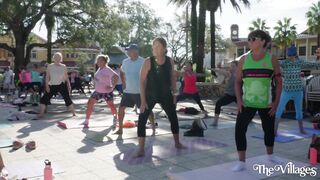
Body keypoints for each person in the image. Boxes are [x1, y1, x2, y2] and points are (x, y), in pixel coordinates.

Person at [233, 30, 282, 171]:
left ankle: (270, 156)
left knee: (269, 130)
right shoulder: (243, 60)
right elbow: (237, 82)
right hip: (247, 103)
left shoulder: (272, 59)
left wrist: (276, 102)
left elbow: (279, 82)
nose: (250, 40)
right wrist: (239, 100)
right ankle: (241, 162)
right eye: (249, 38)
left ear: (263, 41)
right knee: (239, 130)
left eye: (253, 38)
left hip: (266, 103)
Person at [137, 37, 185, 157]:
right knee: (142, 119)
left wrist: (174, 94)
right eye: (153, 45)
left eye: (157, 45)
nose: (154, 48)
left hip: (165, 95)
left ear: (164, 48)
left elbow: (172, 78)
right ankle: (141, 149)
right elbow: (142, 81)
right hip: (150, 95)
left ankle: (177, 143)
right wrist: (143, 101)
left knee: (173, 117)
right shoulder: (148, 61)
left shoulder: (170, 61)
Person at [275, 45, 320, 136]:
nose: (290, 58)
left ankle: (301, 129)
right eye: (288, 56)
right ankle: (275, 131)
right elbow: (274, 62)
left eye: (291, 56)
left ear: (295, 55)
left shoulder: (299, 62)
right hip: (286, 91)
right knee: (279, 110)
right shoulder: (284, 63)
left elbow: (313, 64)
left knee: (299, 111)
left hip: (298, 91)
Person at [114, 44, 156, 135]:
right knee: (121, 109)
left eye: (129, 50)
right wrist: (124, 83)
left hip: (140, 92)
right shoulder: (125, 61)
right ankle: (120, 129)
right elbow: (121, 71)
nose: (127, 52)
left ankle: (153, 128)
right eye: (127, 50)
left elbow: (149, 76)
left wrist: (148, 89)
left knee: (147, 110)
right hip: (128, 91)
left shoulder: (143, 62)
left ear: (135, 51)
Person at [81, 54, 119, 128]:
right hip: (98, 91)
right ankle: (86, 121)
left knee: (111, 106)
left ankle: (115, 119)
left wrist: (113, 86)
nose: (98, 62)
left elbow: (116, 76)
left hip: (107, 92)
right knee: (89, 104)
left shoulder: (107, 69)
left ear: (105, 62)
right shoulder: (99, 68)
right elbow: (99, 78)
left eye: (100, 61)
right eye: (97, 61)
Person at [38, 52, 75, 118]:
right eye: (56, 57)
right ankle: (41, 114)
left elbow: (66, 77)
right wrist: (46, 86)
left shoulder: (64, 66)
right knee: (44, 99)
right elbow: (47, 77)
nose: (57, 59)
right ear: (53, 58)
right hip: (52, 85)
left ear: (61, 59)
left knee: (67, 99)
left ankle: (73, 113)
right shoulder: (50, 66)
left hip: (61, 85)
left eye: (59, 58)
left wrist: (69, 85)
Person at [210, 61, 238, 126]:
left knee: (245, 108)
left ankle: (248, 119)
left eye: (233, 66)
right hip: (229, 95)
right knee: (218, 103)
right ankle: (215, 122)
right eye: (231, 66)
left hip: (238, 95)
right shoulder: (229, 74)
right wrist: (214, 69)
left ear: (237, 67)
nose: (232, 67)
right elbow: (221, 72)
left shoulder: (240, 74)